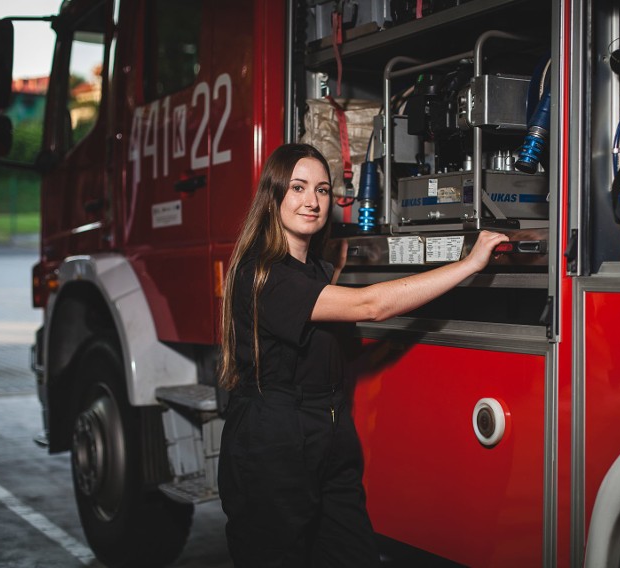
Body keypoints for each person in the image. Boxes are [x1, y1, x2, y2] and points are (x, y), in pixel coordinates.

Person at [217, 143, 509, 567]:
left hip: (330, 432)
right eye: (297, 188)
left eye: (321, 190)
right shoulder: (263, 275)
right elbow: (368, 306)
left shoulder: (314, 271)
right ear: (273, 195)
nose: (312, 202)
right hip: (272, 442)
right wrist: (469, 263)